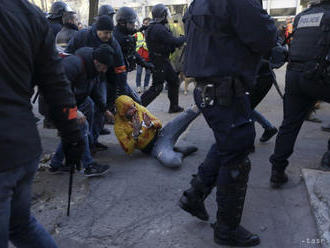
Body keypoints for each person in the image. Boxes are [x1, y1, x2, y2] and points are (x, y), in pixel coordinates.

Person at [178, 0, 277, 246]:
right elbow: (264, 36)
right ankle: (226, 229)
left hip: (209, 89)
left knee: (228, 145)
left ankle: (194, 195)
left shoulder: (197, 2)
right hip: (224, 91)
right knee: (237, 154)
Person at [0, 0, 84, 247]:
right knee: (21, 226)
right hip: (23, 145)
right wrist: (72, 135)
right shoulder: (29, 14)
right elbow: (55, 82)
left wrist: (72, 135)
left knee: (21, 225)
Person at [269, 0, 330, 188]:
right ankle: (328, 158)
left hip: (295, 75)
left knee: (289, 124)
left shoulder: (301, 16)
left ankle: (277, 171)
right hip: (320, 77)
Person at [67, 15, 140, 152]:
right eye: (105, 33)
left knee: (101, 106)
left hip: (100, 78)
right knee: (85, 107)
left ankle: (92, 141)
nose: (108, 36)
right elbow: (68, 54)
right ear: (97, 30)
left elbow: (120, 67)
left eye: (110, 32)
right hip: (79, 76)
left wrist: (122, 89)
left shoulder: (113, 42)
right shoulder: (82, 36)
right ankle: (80, 141)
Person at [49, 45, 114, 176]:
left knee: (73, 131)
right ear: (96, 62)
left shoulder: (94, 70)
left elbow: (94, 91)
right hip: (56, 102)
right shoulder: (74, 65)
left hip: (69, 104)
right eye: (104, 67)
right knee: (82, 127)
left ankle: (55, 164)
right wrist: (74, 110)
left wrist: (104, 109)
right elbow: (60, 90)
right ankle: (89, 166)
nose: (104, 71)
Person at [114, 96, 199, 168]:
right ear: (123, 112)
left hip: (163, 134)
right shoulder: (119, 127)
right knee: (173, 161)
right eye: (130, 108)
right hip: (155, 148)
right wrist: (135, 135)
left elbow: (159, 123)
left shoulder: (138, 108)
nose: (135, 109)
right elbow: (128, 150)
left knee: (185, 116)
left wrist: (151, 124)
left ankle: (202, 103)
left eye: (134, 105)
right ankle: (178, 152)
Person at [141, 4, 185, 113]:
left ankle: (174, 106)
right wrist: (186, 37)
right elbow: (174, 41)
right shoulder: (158, 28)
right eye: (166, 14)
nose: (167, 16)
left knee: (174, 81)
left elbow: (166, 42)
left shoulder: (153, 26)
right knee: (157, 87)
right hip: (159, 61)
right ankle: (137, 108)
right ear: (162, 15)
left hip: (161, 59)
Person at [40, 1, 75, 129]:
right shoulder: (57, 28)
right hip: (50, 62)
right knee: (51, 91)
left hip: (44, 62)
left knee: (45, 91)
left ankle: (48, 119)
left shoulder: (50, 24)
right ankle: (50, 119)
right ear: (60, 14)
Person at [113, 7, 154, 73]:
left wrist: (145, 64)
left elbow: (132, 52)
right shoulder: (118, 38)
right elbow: (131, 53)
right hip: (116, 75)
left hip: (121, 72)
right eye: (131, 23)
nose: (134, 25)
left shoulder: (124, 33)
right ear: (123, 23)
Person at [135, 17, 152, 93]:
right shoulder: (139, 33)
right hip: (140, 56)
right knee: (139, 72)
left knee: (148, 73)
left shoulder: (152, 33)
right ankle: (138, 86)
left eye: (147, 23)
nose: (145, 25)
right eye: (144, 23)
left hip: (148, 56)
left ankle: (146, 86)